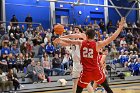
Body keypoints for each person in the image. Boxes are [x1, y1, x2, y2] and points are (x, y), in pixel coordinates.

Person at [54, 17, 125, 93]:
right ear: (94, 37)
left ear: (86, 36)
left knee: (78, 89)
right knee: (107, 88)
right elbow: (112, 38)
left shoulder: (81, 43)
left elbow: (70, 40)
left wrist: (60, 39)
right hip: (96, 71)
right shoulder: (98, 44)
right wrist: (120, 28)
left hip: (85, 72)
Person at [54, 26, 93, 93]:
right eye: (74, 30)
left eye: (77, 29)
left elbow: (71, 35)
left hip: (82, 63)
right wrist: (57, 41)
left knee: (87, 83)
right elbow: (65, 43)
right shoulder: (73, 42)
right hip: (75, 63)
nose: (76, 31)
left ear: (80, 31)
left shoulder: (83, 36)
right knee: (75, 82)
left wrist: (61, 37)